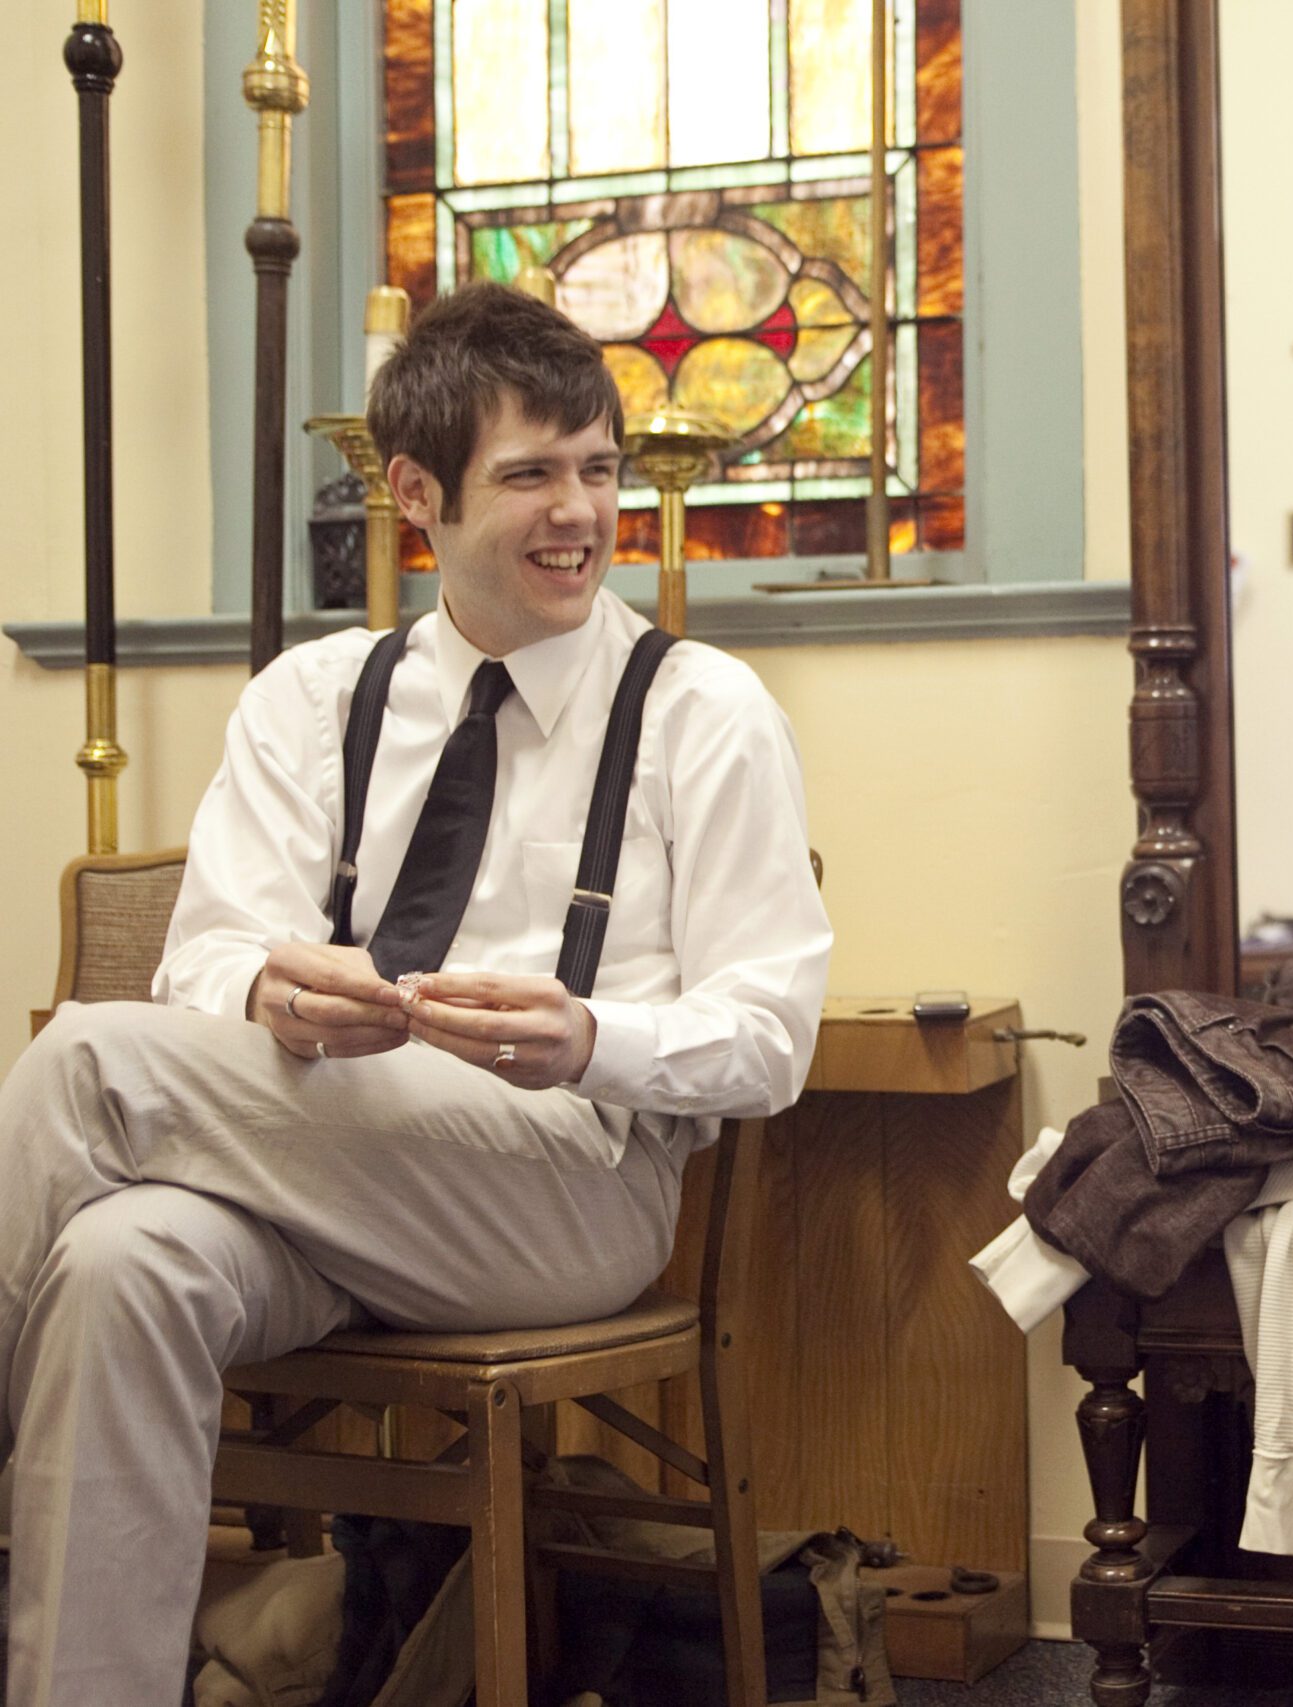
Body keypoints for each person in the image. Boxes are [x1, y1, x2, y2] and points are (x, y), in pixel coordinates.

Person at [0, 283, 832, 1706]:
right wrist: (270, 991)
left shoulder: (704, 711)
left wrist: (591, 1037)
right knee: (120, 1263)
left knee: (88, 1064)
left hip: (567, 1196)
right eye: (531, 475)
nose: (580, 513)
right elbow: (203, 958)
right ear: (415, 495)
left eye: (598, 470)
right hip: (315, 1173)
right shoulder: (312, 698)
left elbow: (771, 1037)